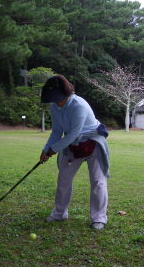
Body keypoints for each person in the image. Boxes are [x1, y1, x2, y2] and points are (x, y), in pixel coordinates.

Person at [40, 75, 110, 230]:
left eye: (58, 98)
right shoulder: (55, 107)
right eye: (53, 99)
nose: (56, 102)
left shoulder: (78, 105)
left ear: (66, 94)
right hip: (73, 145)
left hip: (93, 142)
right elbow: (57, 131)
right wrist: (45, 149)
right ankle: (60, 213)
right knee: (64, 178)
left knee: (98, 181)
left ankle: (99, 218)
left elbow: (72, 134)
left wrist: (53, 150)